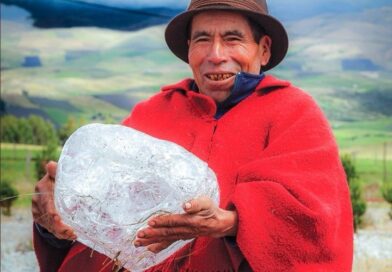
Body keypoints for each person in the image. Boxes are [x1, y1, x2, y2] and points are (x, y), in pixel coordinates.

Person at [32, 0, 354, 271]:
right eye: (202, 39)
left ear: (264, 49)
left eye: (232, 39)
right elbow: (105, 219)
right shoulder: (151, 114)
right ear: (188, 50)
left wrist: (231, 221)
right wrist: (57, 213)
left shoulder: (294, 114)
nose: (215, 54)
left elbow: (318, 223)